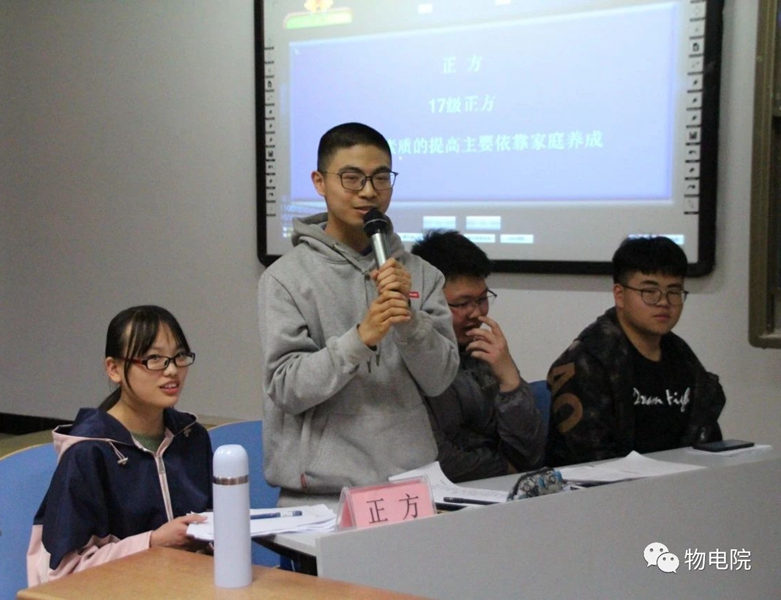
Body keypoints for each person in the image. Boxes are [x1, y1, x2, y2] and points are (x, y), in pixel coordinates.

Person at [258, 122, 459, 506]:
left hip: (409, 485)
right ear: (320, 182)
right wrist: (360, 338)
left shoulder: (421, 274)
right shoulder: (285, 279)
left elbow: (440, 380)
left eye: (381, 178)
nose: (369, 191)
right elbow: (286, 388)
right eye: (352, 178)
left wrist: (410, 323)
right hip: (323, 495)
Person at [27, 305, 212, 584]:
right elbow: (61, 574)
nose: (172, 370)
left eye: (179, 356)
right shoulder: (88, 452)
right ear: (114, 369)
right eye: (154, 359)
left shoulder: (192, 437)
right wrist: (152, 543)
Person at [545, 236, 725, 467]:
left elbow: (707, 441)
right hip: (606, 485)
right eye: (650, 291)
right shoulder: (587, 360)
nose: (664, 302)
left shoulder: (681, 356)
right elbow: (592, 460)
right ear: (620, 295)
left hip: (677, 481)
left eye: (674, 292)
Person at [411, 230, 545, 482]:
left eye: (482, 299)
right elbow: (436, 460)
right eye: (463, 303)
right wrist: (505, 469)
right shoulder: (410, 361)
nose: (476, 313)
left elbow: (531, 454)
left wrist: (510, 382)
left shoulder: (486, 353)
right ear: (427, 302)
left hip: (500, 487)